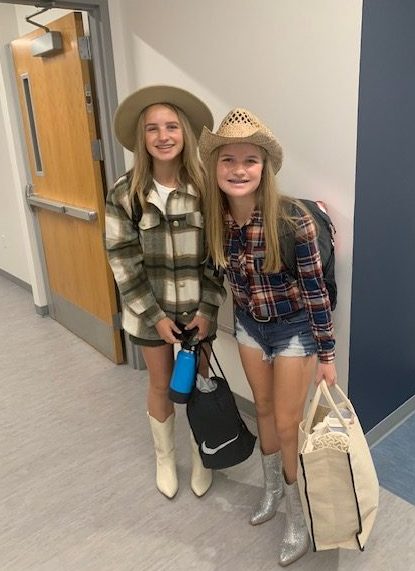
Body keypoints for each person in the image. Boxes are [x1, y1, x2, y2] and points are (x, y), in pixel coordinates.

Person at [199, 108, 337, 566]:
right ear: (215, 166)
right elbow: (219, 279)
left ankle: (297, 516)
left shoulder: (292, 218)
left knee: (285, 423)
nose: (238, 170)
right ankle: (272, 493)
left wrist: (328, 355)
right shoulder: (216, 219)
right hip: (250, 327)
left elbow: (317, 293)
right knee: (261, 411)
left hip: (295, 329)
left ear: (265, 168)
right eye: (228, 160)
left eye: (250, 160)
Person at [105, 85, 226, 500]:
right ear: (142, 138)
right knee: (160, 384)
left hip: (198, 314)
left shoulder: (207, 189)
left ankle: (200, 454)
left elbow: (218, 256)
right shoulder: (126, 193)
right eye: (153, 128)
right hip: (148, 314)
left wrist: (208, 309)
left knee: (199, 380)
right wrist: (155, 315)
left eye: (171, 126)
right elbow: (122, 259)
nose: (162, 136)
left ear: (184, 133)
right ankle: (165, 457)